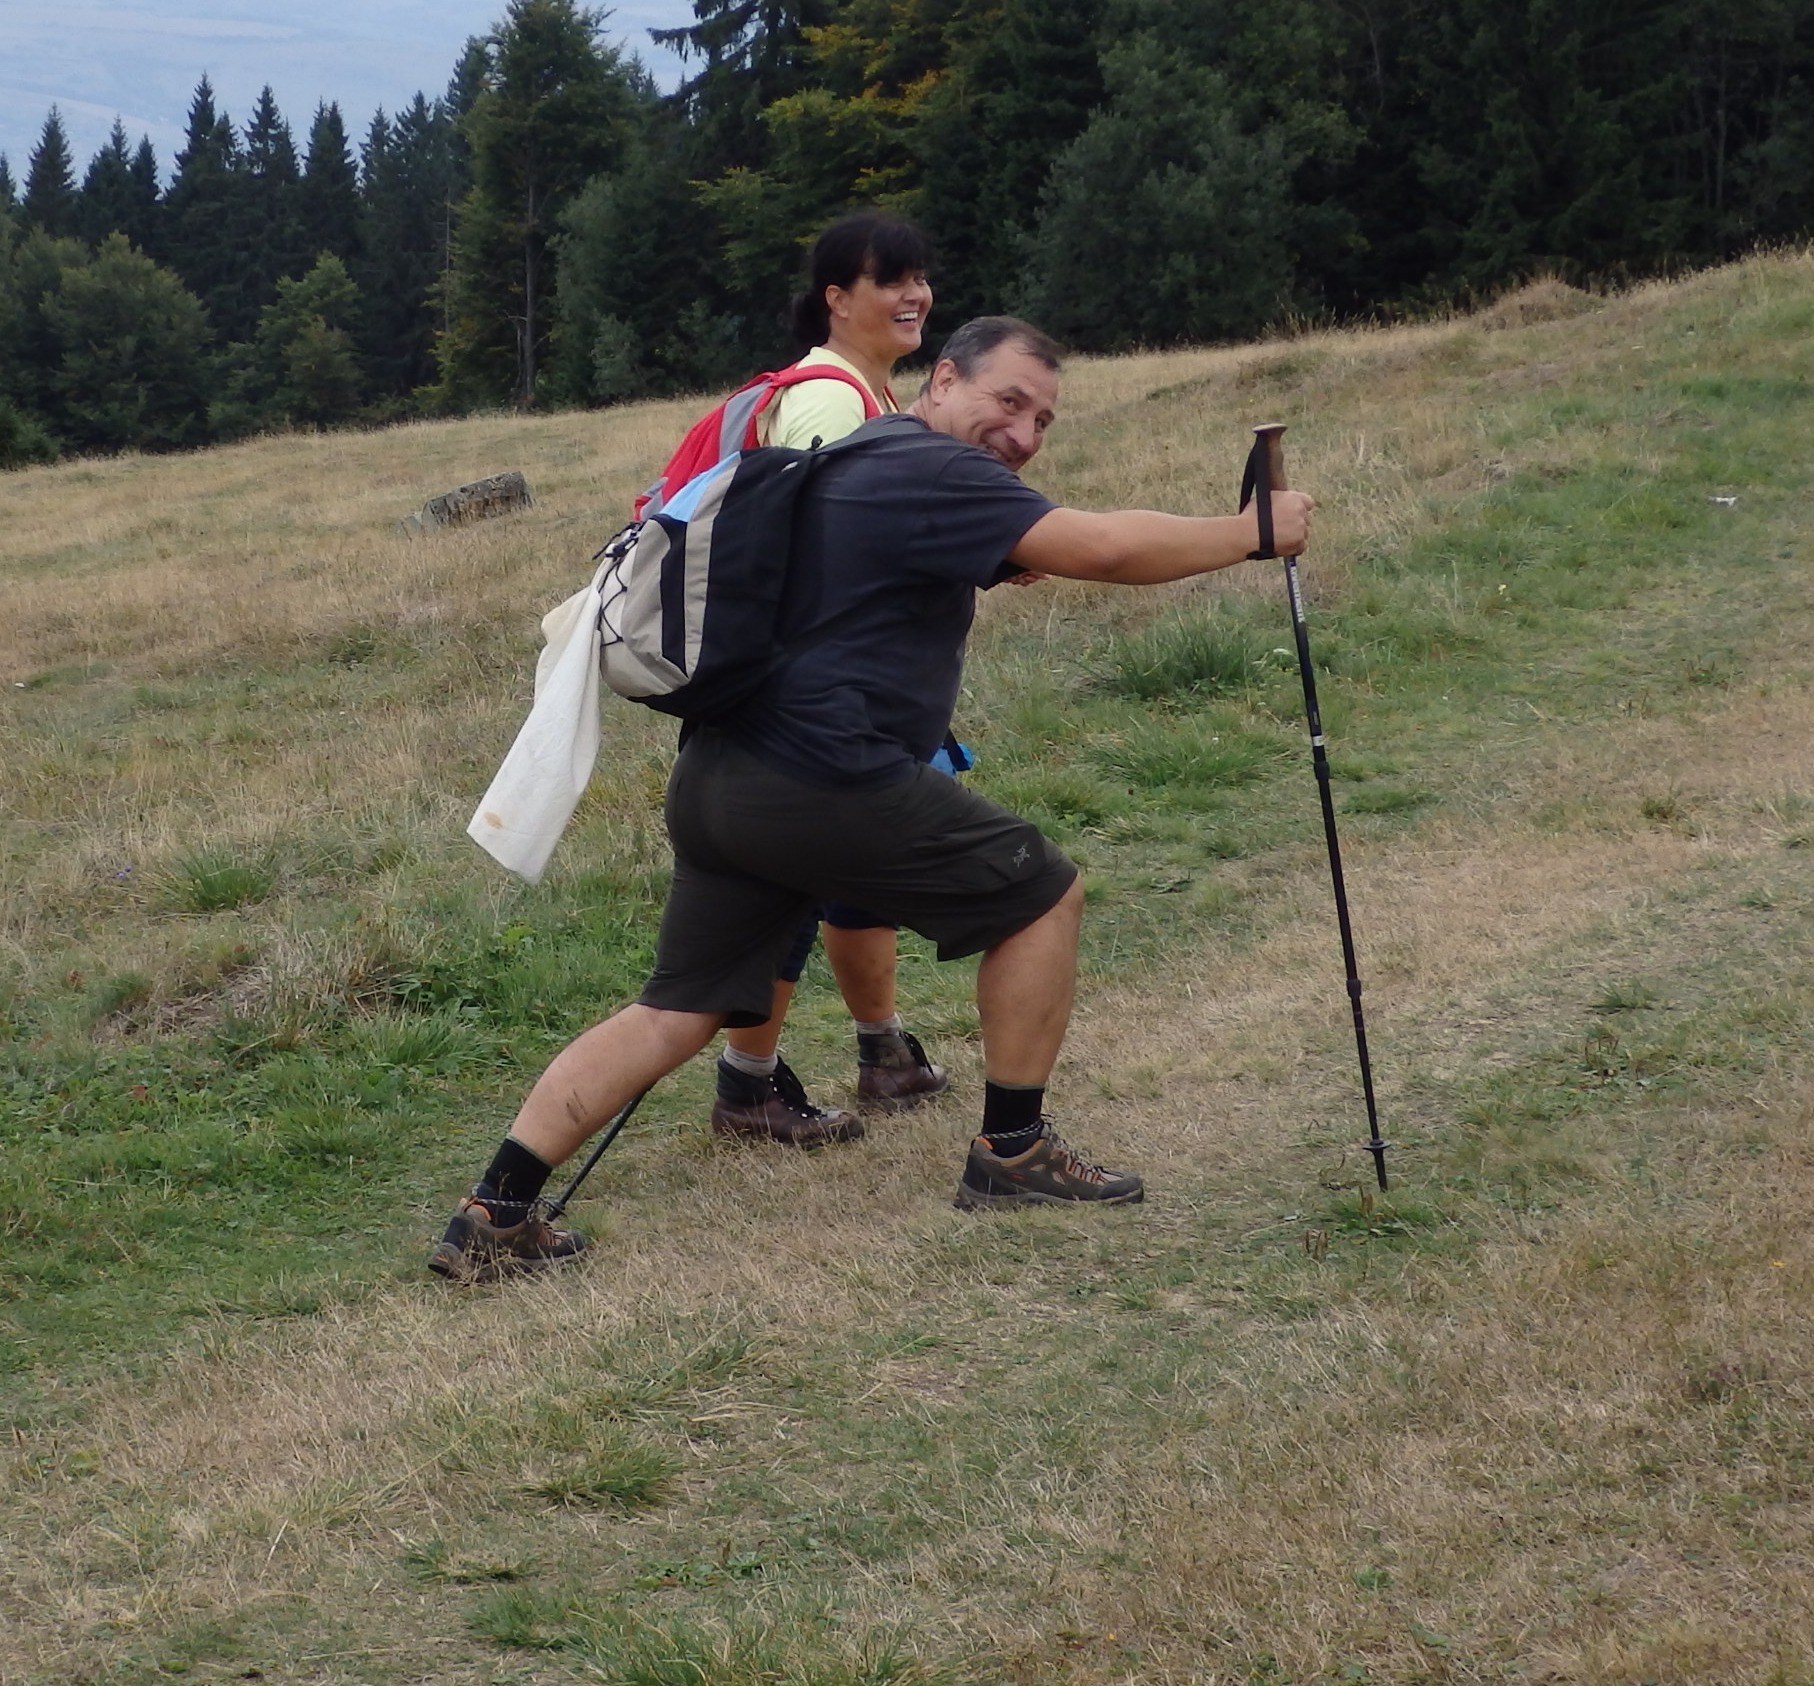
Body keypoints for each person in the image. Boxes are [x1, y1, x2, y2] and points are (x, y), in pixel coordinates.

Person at [430, 314, 1316, 1282]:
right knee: (1041, 893)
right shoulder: (935, 469)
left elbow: (953, 560)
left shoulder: (863, 456)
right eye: (1008, 400)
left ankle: (494, 1210)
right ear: (944, 380)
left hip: (720, 778)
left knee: (673, 1010)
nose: (1023, 432)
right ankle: (1014, 1151)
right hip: (822, 778)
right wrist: (1250, 534)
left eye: (1043, 420)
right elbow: (1100, 548)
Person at [714, 212, 950, 1147]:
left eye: (919, 276)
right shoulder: (826, 403)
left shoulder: (869, 396)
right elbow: (825, 555)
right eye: (891, 279)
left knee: (862, 863)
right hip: (811, 695)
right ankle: (747, 1088)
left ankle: (882, 1052)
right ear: (837, 299)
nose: (914, 294)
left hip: (847, 686)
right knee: (793, 882)